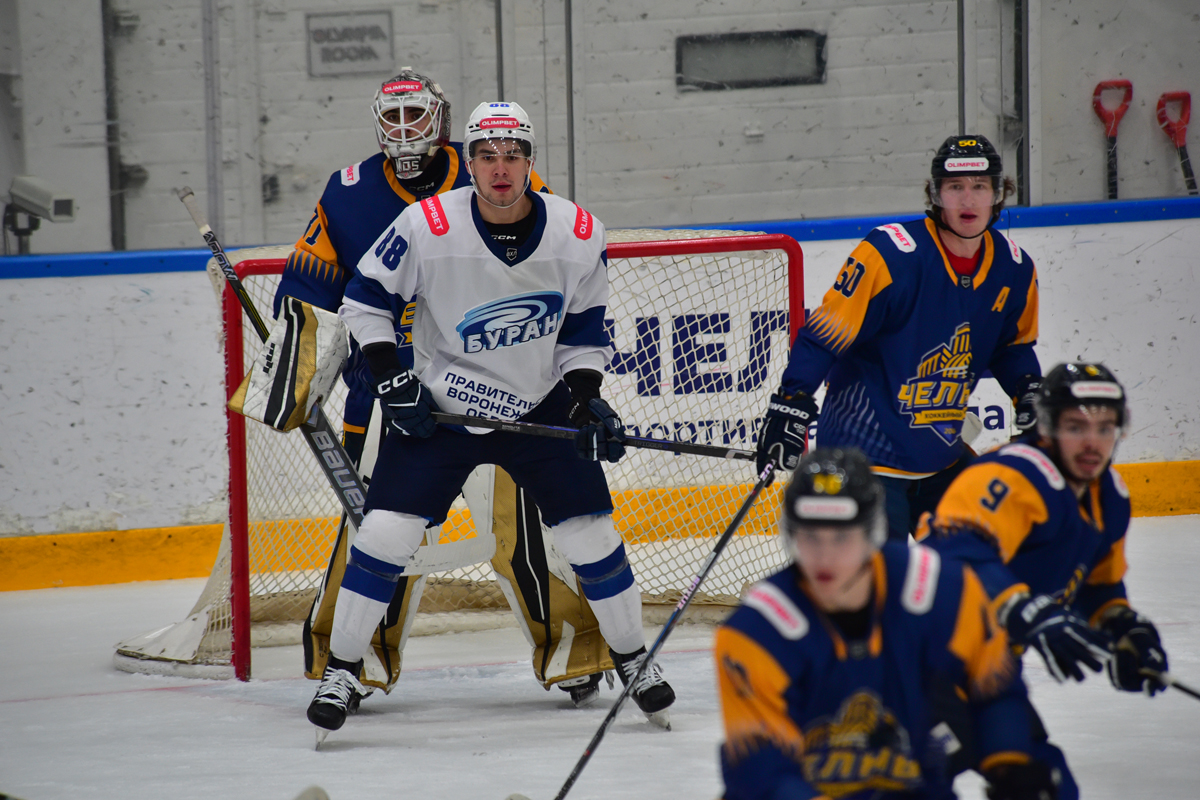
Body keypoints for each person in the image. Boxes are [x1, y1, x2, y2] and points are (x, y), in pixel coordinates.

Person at [306, 100, 676, 738]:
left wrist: (585, 397)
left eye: (512, 155)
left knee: (591, 535)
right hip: (442, 410)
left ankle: (633, 658)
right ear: (469, 162)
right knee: (385, 535)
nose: (500, 168)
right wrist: (392, 377)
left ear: (530, 162)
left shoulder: (578, 231)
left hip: (538, 402)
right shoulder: (425, 224)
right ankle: (341, 670)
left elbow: (582, 332)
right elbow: (364, 302)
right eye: (486, 156)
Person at [273, 69, 606, 710]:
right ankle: (356, 661)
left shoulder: (494, 166)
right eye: (393, 117)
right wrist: (294, 367)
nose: (405, 129)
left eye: (416, 115)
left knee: (527, 525)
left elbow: (551, 269)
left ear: (444, 120)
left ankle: (572, 648)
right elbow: (310, 290)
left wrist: (566, 381)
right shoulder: (346, 195)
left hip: (502, 388)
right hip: (389, 394)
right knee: (378, 534)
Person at [715, 447, 1053, 800]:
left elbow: (995, 689)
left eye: (842, 537)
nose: (825, 558)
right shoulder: (755, 632)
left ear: (871, 534)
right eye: (811, 537)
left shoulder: (946, 591)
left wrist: (1010, 765)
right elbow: (763, 772)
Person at [756, 135, 1043, 542]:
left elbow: (1012, 347)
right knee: (880, 577)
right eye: (955, 187)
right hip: (863, 459)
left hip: (940, 457)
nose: (968, 199)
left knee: (975, 562)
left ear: (997, 194)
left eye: (980, 186)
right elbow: (824, 336)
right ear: (936, 194)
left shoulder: (1015, 269)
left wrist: (1029, 390)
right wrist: (791, 400)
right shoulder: (890, 255)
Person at [918, 362, 1169, 800]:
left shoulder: (1108, 496)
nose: (1092, 443)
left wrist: (1122, 628)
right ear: (1048, 428)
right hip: (916, 664)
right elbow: (954, 556)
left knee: (1044, 786)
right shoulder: (1010, 476)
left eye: (1105, 428)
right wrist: (1024, 607)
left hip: (991, 674)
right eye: (1076, 427)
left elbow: (1097, 587)